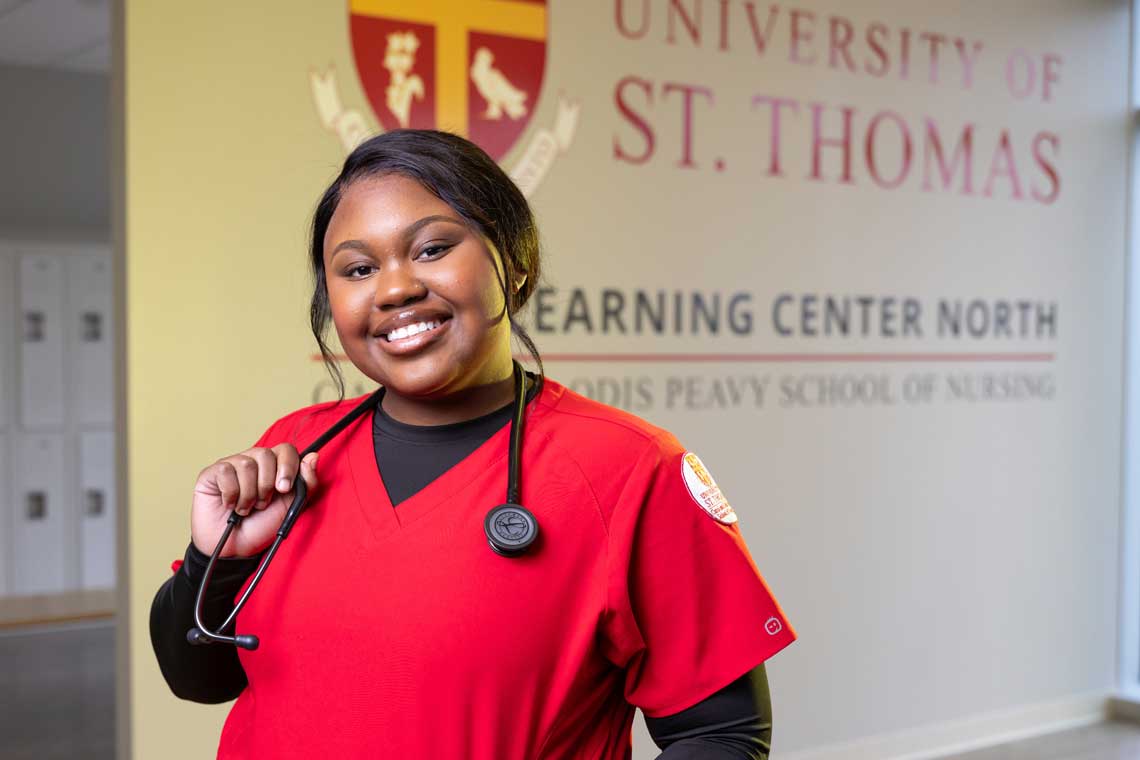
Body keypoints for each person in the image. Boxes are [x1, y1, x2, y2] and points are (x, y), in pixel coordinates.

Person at [150, 129, 797, 759]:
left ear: (514, 265)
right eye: (358, 268)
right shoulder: (292, 451)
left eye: (431, 249)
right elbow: (198, 679)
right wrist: (217, 557)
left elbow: (722, 735)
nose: (395, 287)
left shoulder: (628, 470)